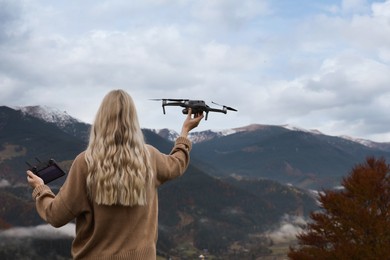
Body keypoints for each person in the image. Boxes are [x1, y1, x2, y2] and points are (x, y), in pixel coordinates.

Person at [26, 89, 204, 259]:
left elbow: (56, 216)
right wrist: (185, 132)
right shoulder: (149, 157)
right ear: (133, 121)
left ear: (101, 120)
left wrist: (40, 189)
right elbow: (177, 164)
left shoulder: (85, 163)